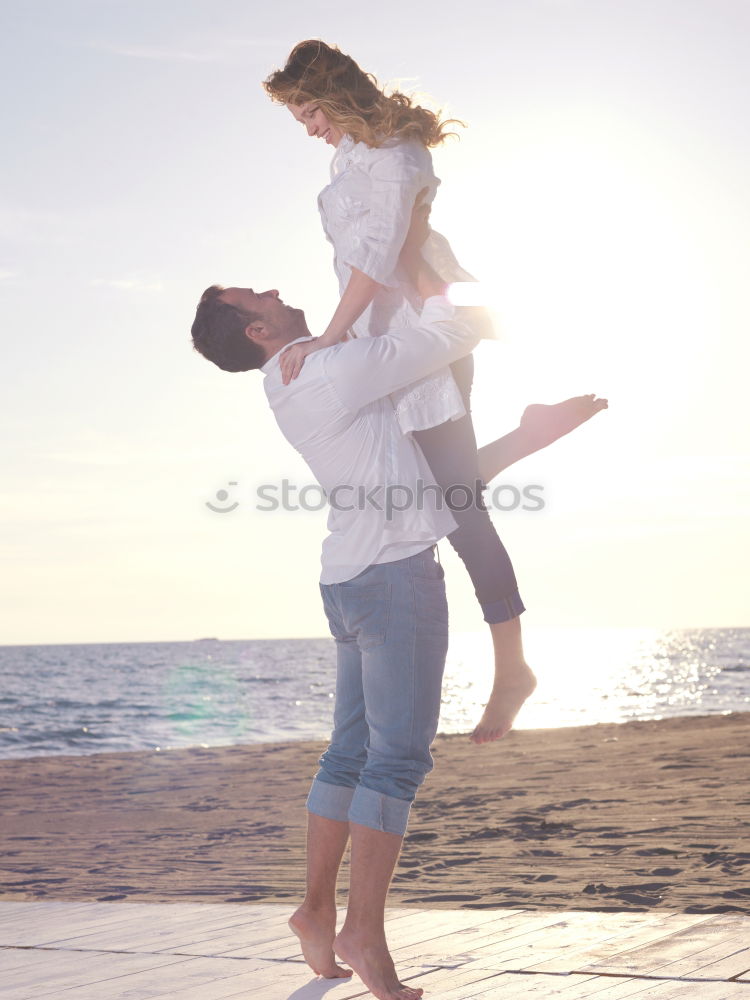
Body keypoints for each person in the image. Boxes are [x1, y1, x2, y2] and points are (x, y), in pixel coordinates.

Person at [263, 40, 607, 744]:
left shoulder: (394, 157)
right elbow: (364, 259)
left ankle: (513, 670)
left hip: (423, 337)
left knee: (456, 510)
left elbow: (382, 253)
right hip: (389, 341)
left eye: (307, 110)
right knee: (442, 494)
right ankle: (528, 434)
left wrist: (331, 338)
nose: (306, 127)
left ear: (331, 92)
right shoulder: (355, 155)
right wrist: (350, 339)